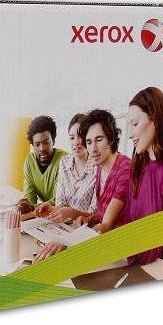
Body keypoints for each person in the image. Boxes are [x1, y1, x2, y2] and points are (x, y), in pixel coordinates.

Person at [35, 109, 129, 261]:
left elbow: (106, 225)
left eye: (99, 140)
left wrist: (67, 241)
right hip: (102, 243)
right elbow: (101, 214)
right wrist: (88, 220)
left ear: (111, 140)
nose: (93, 148)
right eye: (89, 142)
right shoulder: (101, 167)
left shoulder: (124, 169)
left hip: (124, 249)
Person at [122, 87, 163, 265]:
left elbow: (160, 238)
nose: (130, 134)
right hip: (135, 258)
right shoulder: (138, 168)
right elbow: (129, 224)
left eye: (135, 124)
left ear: (154, 119)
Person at [35, 113, 97, 222]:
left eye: (81, 136)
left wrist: (72, 213)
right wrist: (52, 208)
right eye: (72, 137)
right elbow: (61, 205)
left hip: (86, 228)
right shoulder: (64, 162)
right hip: (64, 225)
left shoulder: (98, 167)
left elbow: (95, 215)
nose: (76, 142)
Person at [16, 115, 66, 215]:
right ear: (32, 145)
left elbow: (59, 200)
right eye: (37, 144)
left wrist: (31, 207)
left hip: (65, 214)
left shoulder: (64, 161)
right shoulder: (30, 161)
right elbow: (29, 198)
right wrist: (25, 204)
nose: (42, 148)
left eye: (46, 142)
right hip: (46, 216)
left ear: (53, 141)